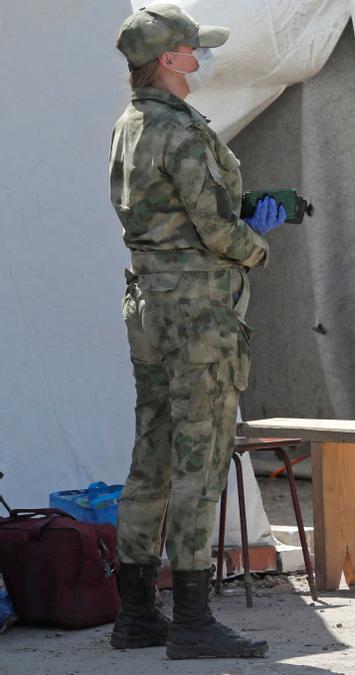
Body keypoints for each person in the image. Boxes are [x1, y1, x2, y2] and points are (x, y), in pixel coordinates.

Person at [109, 4, 286, 659]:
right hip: (197, 313)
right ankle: (190, 619)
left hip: (149, 302)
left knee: (150, 457)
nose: (202, 58)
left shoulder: (130, 125)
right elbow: (215, 229)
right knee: (199, 463)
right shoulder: (181, 131)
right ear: (169, 59)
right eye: (194, 49)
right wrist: (257, 242)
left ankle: (135, 614)